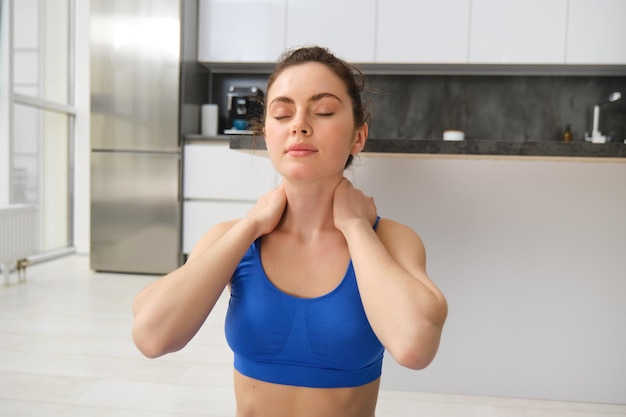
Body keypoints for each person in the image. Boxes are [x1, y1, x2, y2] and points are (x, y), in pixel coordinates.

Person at [132, 45, 448, 417]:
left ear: (358, 137)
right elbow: (151, 337)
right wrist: (250, 226)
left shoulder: (390, 240)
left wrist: (354, 226)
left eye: (324, 110)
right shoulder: (233, 238)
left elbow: (416, 347)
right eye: (282, 113)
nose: (299, 124)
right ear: (267, 133)